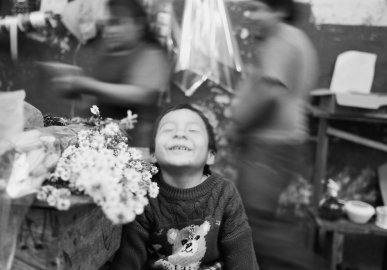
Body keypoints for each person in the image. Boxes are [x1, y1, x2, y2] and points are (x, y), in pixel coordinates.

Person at [229, 0, 329, 269]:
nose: (251, 15)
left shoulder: (281, 39)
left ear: (280, 10)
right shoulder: (295, 39)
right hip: (278, 145)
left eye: (258, 8)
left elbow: (270, 91)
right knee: (255, 222)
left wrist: (237, 124)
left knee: (252, 226)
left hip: (270, 146)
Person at [110, 103, 259, 270]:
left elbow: (243, 260)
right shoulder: (143, 195)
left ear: (210, 155)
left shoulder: (225, 193)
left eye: (193, 130)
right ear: (153, 154)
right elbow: (128, 260)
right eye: (168, 130)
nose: (180, 134)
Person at [51, 0, 170, 147]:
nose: (109, 31)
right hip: (104, 142)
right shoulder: (108, 53)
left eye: (117, 23)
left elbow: (141, 94)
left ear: (138, 24)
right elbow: (97, 96)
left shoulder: (150, 54)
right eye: (105, 25)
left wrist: (87, 85)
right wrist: (74, 86)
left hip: (136, 146)